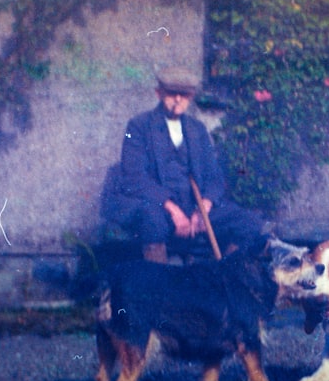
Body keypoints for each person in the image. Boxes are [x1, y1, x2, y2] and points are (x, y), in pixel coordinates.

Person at [101, 66, 264, 263]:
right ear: (159, 93)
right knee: (153, 221)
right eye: (172, 94)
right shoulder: (139, 126)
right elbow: (133, 177)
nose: (178, 99)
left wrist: (205, 206)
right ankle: (160, 287)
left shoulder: (197, 129)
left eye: (184, 95)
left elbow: (214, 176)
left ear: (191, 96)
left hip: (194, 208)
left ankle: (221, 277)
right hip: (158, 206)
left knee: (248, 222)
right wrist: (173, 209)